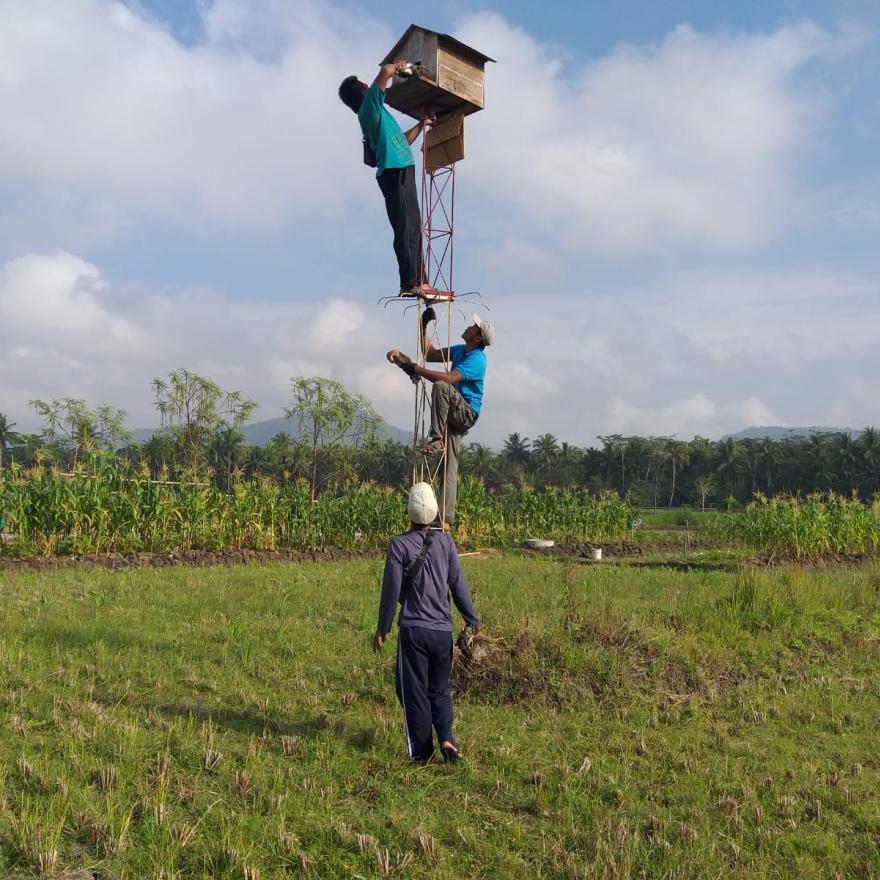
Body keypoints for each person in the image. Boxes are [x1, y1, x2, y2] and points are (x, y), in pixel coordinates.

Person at [374, 482, 480, 762]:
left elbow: (391, 591)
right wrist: (472, 618)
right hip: (442, 632)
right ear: (434, 513)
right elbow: (458, 584)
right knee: (440, 689)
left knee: (413, 692)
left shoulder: (399, 545)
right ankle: (447, 738)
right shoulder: (445, 542)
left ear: (409, 513)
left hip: (414, 632)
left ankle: (421, 754)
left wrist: (382, 628)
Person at [387, 309, 496, 525]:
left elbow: (448, 378)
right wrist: (423, 326)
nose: (468, 326)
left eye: (473, 327)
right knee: (449, 467)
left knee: (441, 386)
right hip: (451, 410)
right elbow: (429, 353)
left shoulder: (477, 358)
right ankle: (444, 519)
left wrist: (415, 368)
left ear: (477, 338)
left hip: (466, 413)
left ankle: (436, 437)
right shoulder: (459, 350)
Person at [338, 64, 433, 297]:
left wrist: (421, 125)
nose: (369, 87)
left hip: (401, 168)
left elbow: (402, 142)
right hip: (393, 173)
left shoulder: (378, 113)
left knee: (413, 226)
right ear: (362, 93)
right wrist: (400, 66)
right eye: (364, 86)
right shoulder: (368, 109)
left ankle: (419, 280)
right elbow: (387, 71)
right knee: (405, 227)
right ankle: (410, 281)